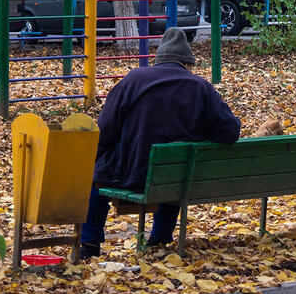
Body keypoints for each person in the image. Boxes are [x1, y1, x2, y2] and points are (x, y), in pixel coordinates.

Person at [80, 27, 241, 257]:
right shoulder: (200, 87)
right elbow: (230, 131)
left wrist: (98, 156)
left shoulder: (134, 79)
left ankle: (90, 244)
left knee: (96, 174)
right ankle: (160, 238)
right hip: (176, 179)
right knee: (174, 169)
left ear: (158, 61)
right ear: (187, 64)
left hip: (130, 174)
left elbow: (104, 129)